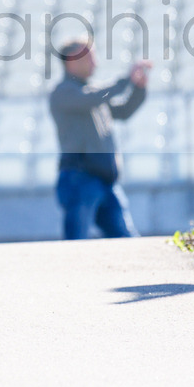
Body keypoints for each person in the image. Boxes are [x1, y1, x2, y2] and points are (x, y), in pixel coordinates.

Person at [49, 38, 152, 240]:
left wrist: (138, 88)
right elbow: (94, 97)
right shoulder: (64, 92)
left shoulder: (91, 92)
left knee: (126, 239)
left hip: (105, 179)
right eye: (89, 57)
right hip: (80, 178)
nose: (94, 63)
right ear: (71, 60)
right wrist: (126, 80)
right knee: (76, 241)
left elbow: (123, 111)